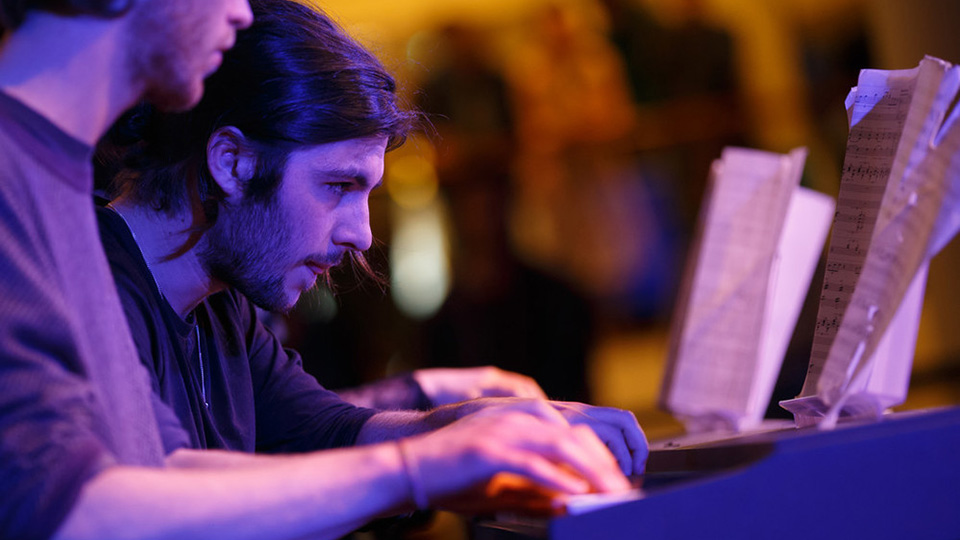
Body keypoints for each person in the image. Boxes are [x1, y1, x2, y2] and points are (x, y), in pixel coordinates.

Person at [0, 1, 638, 539]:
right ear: (232, 162)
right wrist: (420, 464)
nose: (360, 235)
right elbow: (67, 504)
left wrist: (473, 424)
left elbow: (287, 440)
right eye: (336, 184)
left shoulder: (218, 304)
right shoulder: (40, 199)